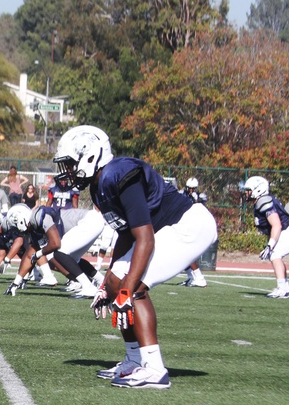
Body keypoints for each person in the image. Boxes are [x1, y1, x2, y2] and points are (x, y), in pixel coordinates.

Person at [55, 125, 217, 389]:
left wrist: (126, 288)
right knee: (117, 286)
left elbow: (145, 237)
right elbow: (126, 234)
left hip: (188, 225)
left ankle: (154, 369)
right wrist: (110, 280)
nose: (68, 172)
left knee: (135, 287)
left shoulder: (119, 174)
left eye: (71, 164)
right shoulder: (99, 186)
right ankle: (134, 360)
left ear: (90, 156)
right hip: (164, 228)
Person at [4, 205, 106, 299]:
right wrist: (16, 283)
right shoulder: (34, 228)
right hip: (93, 221)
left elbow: (56, 244)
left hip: (90, 221)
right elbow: (28, 256)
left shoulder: (38, 216)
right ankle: (103, 282)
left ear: (20, 220)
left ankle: (88, 287)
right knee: (74, 260)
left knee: (60, 252)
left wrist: (40, 253)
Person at [243, 176, 289, 299]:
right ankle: (285, 288)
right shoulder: (261, 202)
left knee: (274, 254)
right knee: (276, 255)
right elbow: (270, 228)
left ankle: (282, 289)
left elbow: (276, 225)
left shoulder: (263, 201)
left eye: (249, 190)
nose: (246, 192)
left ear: (258, 189)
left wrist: (270, 245)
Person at [177, 177, 208, 287]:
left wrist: (196, 200)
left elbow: (202, 208)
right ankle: (191, 277)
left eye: (193, 189)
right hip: (183, 224)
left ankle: (199, 277)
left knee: (187, 252)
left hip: (194, 226)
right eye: (189, 188)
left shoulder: (200, 196)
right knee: (181, 252)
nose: (191, 191)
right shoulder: (181, 194)